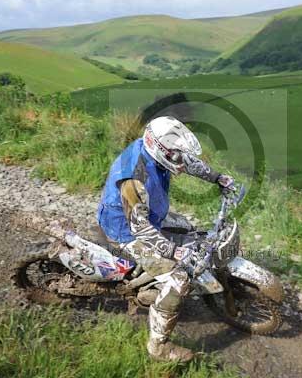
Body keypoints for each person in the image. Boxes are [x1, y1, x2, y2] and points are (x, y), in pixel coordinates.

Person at [96, 116, 234, 362]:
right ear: (159, 149)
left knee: (190, 230)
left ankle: (154, 282)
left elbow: (184, 160)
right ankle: (158, 346)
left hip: (152, 214)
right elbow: (141, 230)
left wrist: (216, 177)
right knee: (178, 280)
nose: (180, 164)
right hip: (126, 231)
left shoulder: (154, 148)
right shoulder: (133, 179)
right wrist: (173, 252)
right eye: (175, 157)